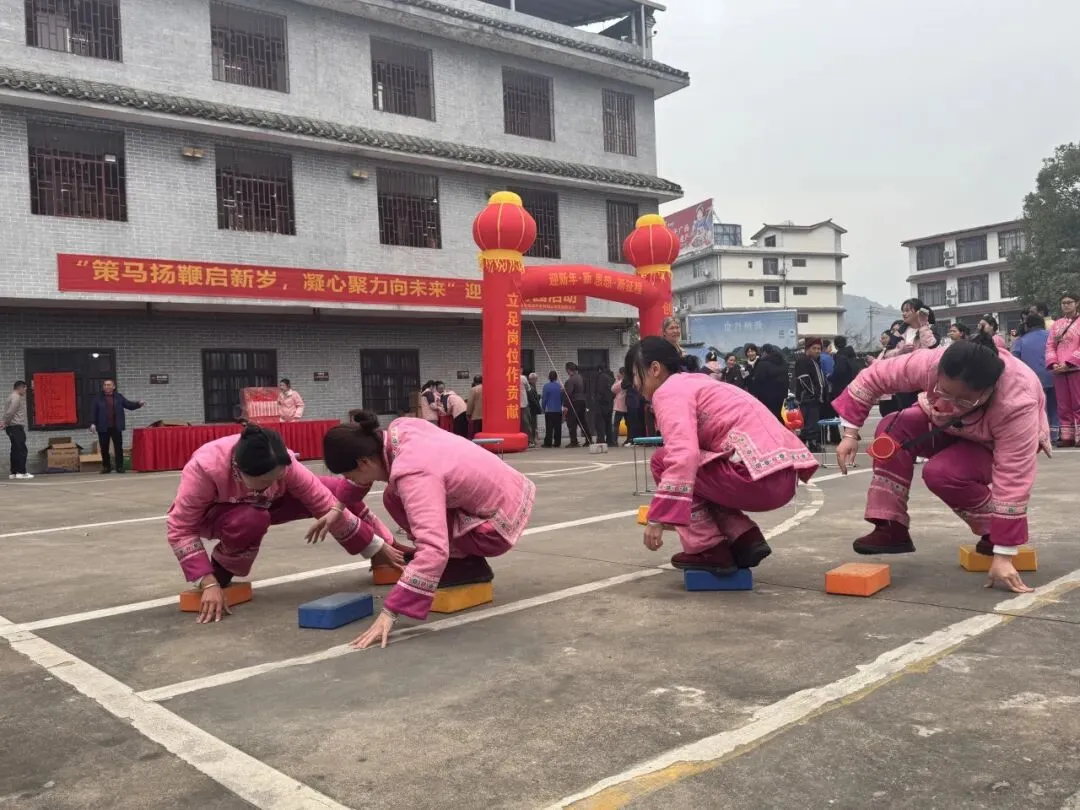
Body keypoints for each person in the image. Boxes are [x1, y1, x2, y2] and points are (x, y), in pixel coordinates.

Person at [833, 333, 1052, 593]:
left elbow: (1014, 476)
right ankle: (891, 526)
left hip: (989, 443)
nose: (951, 404)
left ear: (988, 390)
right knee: (891, 430)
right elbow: (872, 377)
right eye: (943, 391)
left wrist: (1004, 555)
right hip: (942, 423)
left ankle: (992, 532)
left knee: (943, 473)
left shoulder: (1017, 402)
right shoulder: (929, 362)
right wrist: (850, 435)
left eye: (963, 400)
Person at [323, 412, 536, 649]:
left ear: (364, 463)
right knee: (393, 496)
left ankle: (464, 563)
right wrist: (337, 508)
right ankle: (456, 557)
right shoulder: (402, 428)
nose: (351, 480)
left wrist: (390, 611)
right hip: (511, 489)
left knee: (426, 536)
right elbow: (362, 479)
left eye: (349, 475)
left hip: (495, 527)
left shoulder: (413, 474)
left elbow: (434, 548)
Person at [167, 425, 403, 624]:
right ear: (239, 469)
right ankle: (221, 570)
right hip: (224, 515)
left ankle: (390, 554)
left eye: (278, 478)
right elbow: (181, 528)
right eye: (264, 481)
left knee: (335, 491)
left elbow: (324, 502)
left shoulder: (285, 463)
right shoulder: (205, 469)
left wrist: (374, 545)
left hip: (271, 505)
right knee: (251, 518)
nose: (271, 485)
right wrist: (208, 584)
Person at [631, 337, 818, 573]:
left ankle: (707, 548)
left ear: (655, 369)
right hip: (784, 476)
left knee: (663, 460)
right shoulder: (701, 382)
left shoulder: (668, 391)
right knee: (703, 475)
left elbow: (682, 455)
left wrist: (658, 518)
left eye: (635, 374)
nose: (635, 384)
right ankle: (744, 538)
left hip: (754, 478)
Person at [1011, 313, 1058, 439]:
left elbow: (1014, 361)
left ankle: (1042, 436)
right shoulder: (1051, 336)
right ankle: (1055, 435)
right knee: (1054, 407)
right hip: (1054, 376)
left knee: (1039, 409)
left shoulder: (1020, 341)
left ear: (1027, 325)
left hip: (1032, 381)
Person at [90, 380, 147, 475]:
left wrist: (138, 404)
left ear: (113, 387)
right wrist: (93, 423)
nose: (106, 387)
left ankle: (119, 467)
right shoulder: (98, 398)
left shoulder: (119, 397)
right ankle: (106, 467)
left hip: (116, 426)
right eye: (105, 385)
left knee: (118, 448)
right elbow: (93, 411)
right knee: (104, 448)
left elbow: (128, 405)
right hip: (103, 427)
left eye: (109, 385)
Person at [1046, 291, 1080, 447]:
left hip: (1075, 368)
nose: (1066, 305)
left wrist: (1069, 363)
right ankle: (1067, 436)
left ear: (1077, 303)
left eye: (1069, 302)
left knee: (1078, 403)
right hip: (1059, 369)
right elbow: (1050, 345)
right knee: (1063, 404)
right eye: (1063, 303)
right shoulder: (1056, 325)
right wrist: (1054, 363)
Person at [793, 337, 826, 451]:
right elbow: (804, 379)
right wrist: (815, 394)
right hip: (808, 398)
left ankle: (803, 443)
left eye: (819, 348)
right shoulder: (804, 361)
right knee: (810, 422)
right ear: (807, 349)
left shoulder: (813, 361)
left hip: (811, 398)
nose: (817, 351)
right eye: (814, 348)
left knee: (810, 422)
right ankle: (812, 444)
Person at [748, 344, 789, 421]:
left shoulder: (763, 364)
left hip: (767, 398)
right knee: (780, 417)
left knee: (768, 418)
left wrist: (754, 394)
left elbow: (758, 381)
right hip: (781, 396)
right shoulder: (783, 362)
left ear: (764, 352)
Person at [3, 380, 29, 480]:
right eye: (25, 388)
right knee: (21, 449)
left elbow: (9, 412)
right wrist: (4, 422)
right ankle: (21, 472)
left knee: (15, 449)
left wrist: (5, 423)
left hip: (12, 427)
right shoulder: (16, 397)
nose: (25, 390)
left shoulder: (11, 397)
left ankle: (14, 473)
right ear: (20, 388)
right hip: (16, 427)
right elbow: (10, 412)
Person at [541, 371, 563, 447]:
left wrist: (543, 407)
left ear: (549, 378)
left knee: (549, 427)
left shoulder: (546, 386)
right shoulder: (560, 386)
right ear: (556, 377)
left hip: (549, 410)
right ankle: (557, 443)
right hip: (558, 410)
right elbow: (562, 398)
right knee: (558, 427)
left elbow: (544, 399)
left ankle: (548, 443)